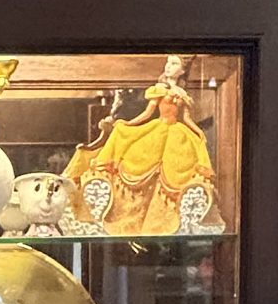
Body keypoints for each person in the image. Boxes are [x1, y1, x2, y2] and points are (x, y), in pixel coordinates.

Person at [60, 57, 219, 235]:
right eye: (168, 62)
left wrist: (198, 132)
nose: (168, 66)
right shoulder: (159, 90)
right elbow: (147, 113)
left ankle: (167, 219)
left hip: (177, 135)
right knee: (139, 159)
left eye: (174, 64)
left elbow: (187, 118)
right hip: (157, 130)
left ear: (182, 71)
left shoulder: (182, 95)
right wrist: (128, 124)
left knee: (177, 169)